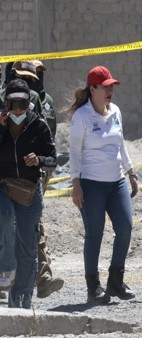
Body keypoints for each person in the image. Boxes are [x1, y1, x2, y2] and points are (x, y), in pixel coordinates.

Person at [69, 66, 138, 304]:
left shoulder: (116, 111)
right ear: (93, 89)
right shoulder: (82, 117)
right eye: (105, 87)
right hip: (91, 184)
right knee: (95, 234)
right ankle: (93, 286)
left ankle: (115, 281)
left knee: (126, 227)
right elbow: (74, 153)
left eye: (112, 87)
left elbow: (121, 144)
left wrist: (131, 171)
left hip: (116, 182)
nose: (110, 91)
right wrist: (76, 184)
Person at [0, 79, 56, 308]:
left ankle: (21, 298)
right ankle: (6, 267)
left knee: (28, 246)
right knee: (4, 217)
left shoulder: (38, 125)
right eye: (13, 104)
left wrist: (39, 160)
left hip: (29, 191)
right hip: (3, 187)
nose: (18, 110)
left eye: (23, 104)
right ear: (6, 104)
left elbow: (53, 158)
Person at [26, 60, 64, 299]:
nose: (36, 79)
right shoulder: (10, 99)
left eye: (39, 74)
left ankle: (42, 277)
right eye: (32, 75)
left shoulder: (44, 101)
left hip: (36, 171)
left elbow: (48, 135)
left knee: (35, 222)